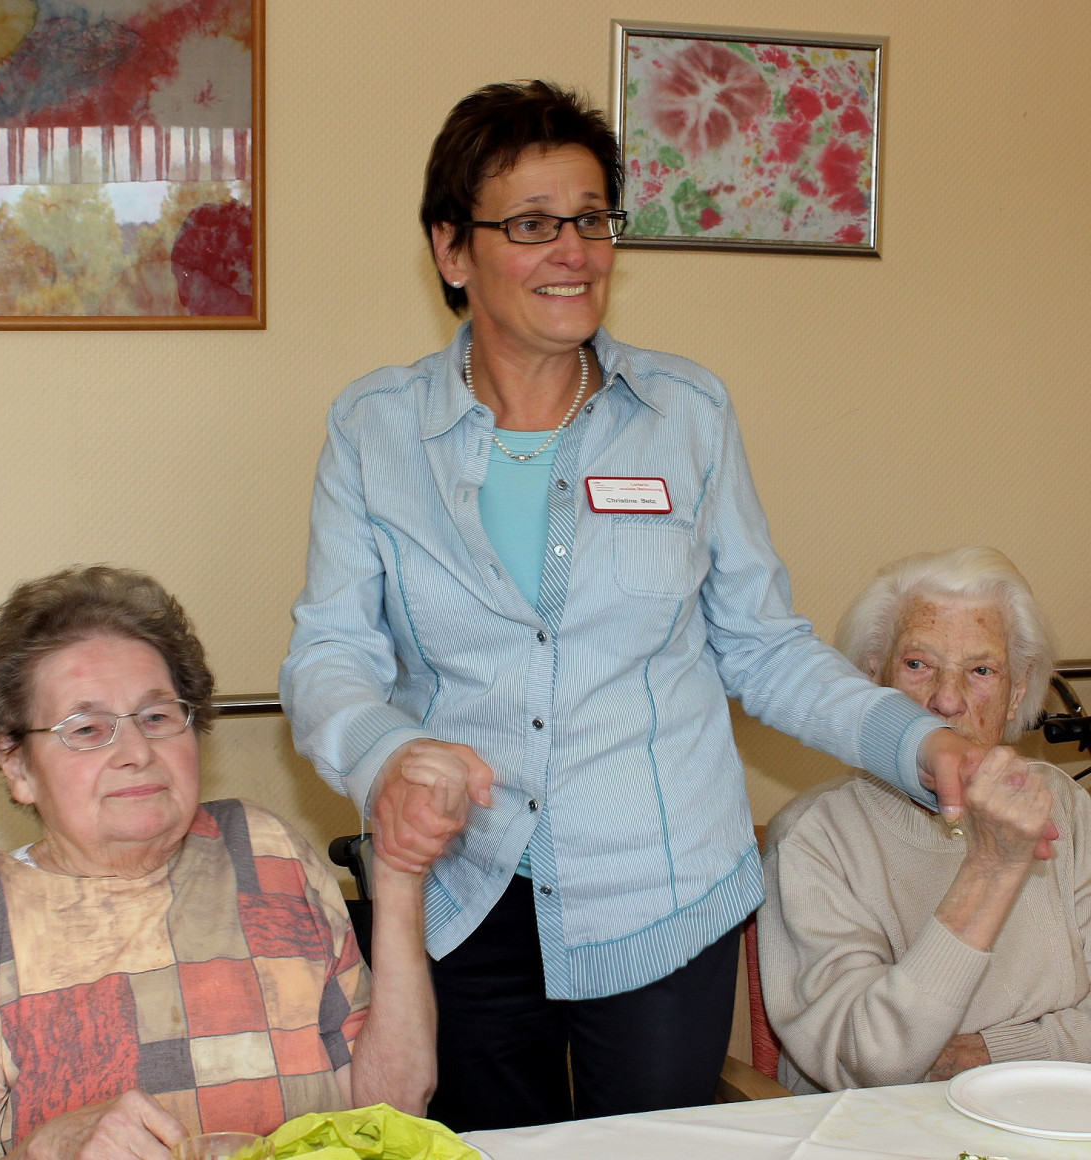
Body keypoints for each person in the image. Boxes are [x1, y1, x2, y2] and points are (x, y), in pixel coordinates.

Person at [278, 81, 1046, 1130]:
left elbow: (764, 648)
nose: (574, 252)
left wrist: (922, 746)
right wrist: (383, 756)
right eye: (533, 224)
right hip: (463, 890)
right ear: (452, 249)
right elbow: (328, 651)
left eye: (591, 219)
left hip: (660, 888)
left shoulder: (686, 413)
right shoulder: (374, 430)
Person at [0, 566, 434, 1160]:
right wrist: (45, 1148)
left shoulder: (266, 850)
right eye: (87, 728)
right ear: (17, 766)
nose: (135, 752)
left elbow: (392, 1110)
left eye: (156, 717)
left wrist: (401, 875)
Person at [760, 547, 1091, 1093]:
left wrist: (997, 1053)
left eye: (981, 670)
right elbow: (868, 1062)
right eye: (918, 665)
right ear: (871, 680)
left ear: (1016, 692)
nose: (945, 700)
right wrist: (992, 865)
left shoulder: (1064, 805)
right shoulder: (815, 836)